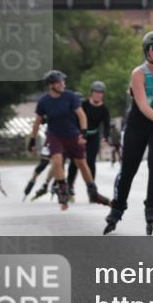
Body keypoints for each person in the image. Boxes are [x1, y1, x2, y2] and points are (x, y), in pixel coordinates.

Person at [103, 31, 153, 235]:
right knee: (128, 169)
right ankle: (117, 210)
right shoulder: (138, 73)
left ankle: (152, 207)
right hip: (138, 125)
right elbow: (143, 105)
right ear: (147, 51)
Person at [28, 71, 111, 210]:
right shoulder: (44, 101)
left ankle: (92, 191)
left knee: (83, 163)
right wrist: (32, 140)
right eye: (60, 82)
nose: (63, 84)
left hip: (73, 135)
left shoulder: (70, 96)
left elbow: (81, 115)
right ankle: (63, 190)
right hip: (54, 135)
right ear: (51, 85)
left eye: (63, 82)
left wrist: (83, 134)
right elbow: (37, 122)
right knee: (57, 160)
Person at [66, 80, 112, 199]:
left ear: (103, 95)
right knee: (76, 161)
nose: (97, 95)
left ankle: (91, 189)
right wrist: (77, 134)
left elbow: (106, 125)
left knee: (91, 161)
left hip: (93, 136)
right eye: (95, 92)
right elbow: (76, 119)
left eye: (100, 93)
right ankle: (69, 186)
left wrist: (105, 138)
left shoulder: (104, 109)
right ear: (92, 93)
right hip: (80, 135)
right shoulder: (84, 105)